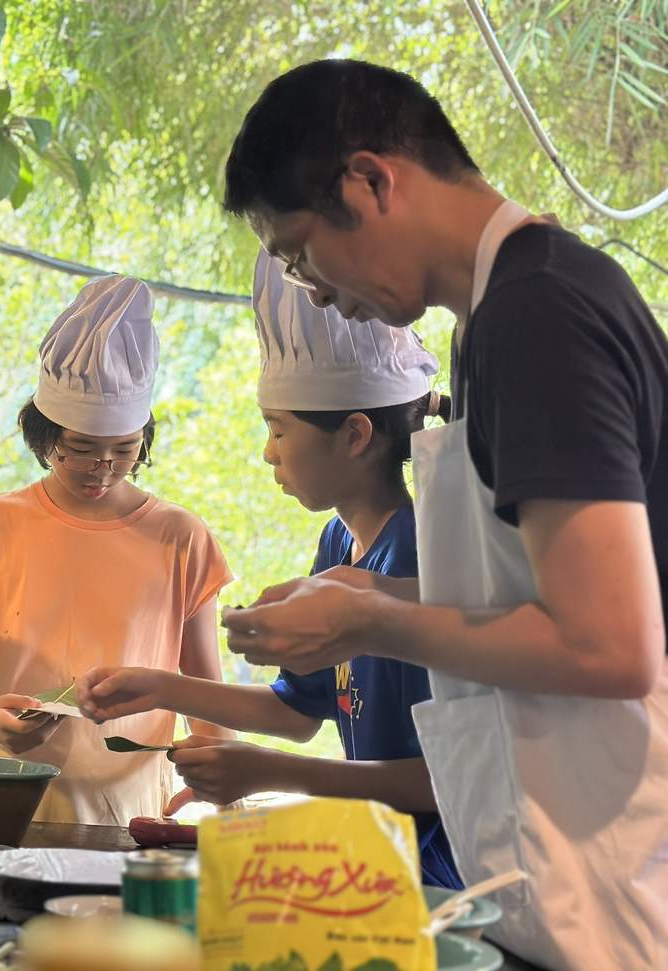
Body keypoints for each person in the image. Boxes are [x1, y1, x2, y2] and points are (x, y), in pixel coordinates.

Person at [219, 58, 668, 968]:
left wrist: (370, 618)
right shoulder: (497, 316)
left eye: (300, 252)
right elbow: (533, 591)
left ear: (370, 180)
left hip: (615, 865)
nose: (310, 289)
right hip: (556, 857)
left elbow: (610, 644)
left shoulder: (537, 314)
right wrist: (356, 591)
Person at [79, 251, 460, 888]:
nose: (266, 453)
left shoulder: (421, 557)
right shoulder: (338, 543)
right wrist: (162, 687)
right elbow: (298, 711)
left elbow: (444, 780)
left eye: (277, 430)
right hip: (385, 863)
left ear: (356, 435)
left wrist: (272, 772)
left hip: (443, 878)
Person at [0, 275, 232, 825]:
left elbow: (206, 696)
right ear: (44, 435)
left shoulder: (181, 538)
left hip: (125, 806)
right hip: (4, 794)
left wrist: (229, 783)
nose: (104, 467)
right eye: (80, 448)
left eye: (124, 450)